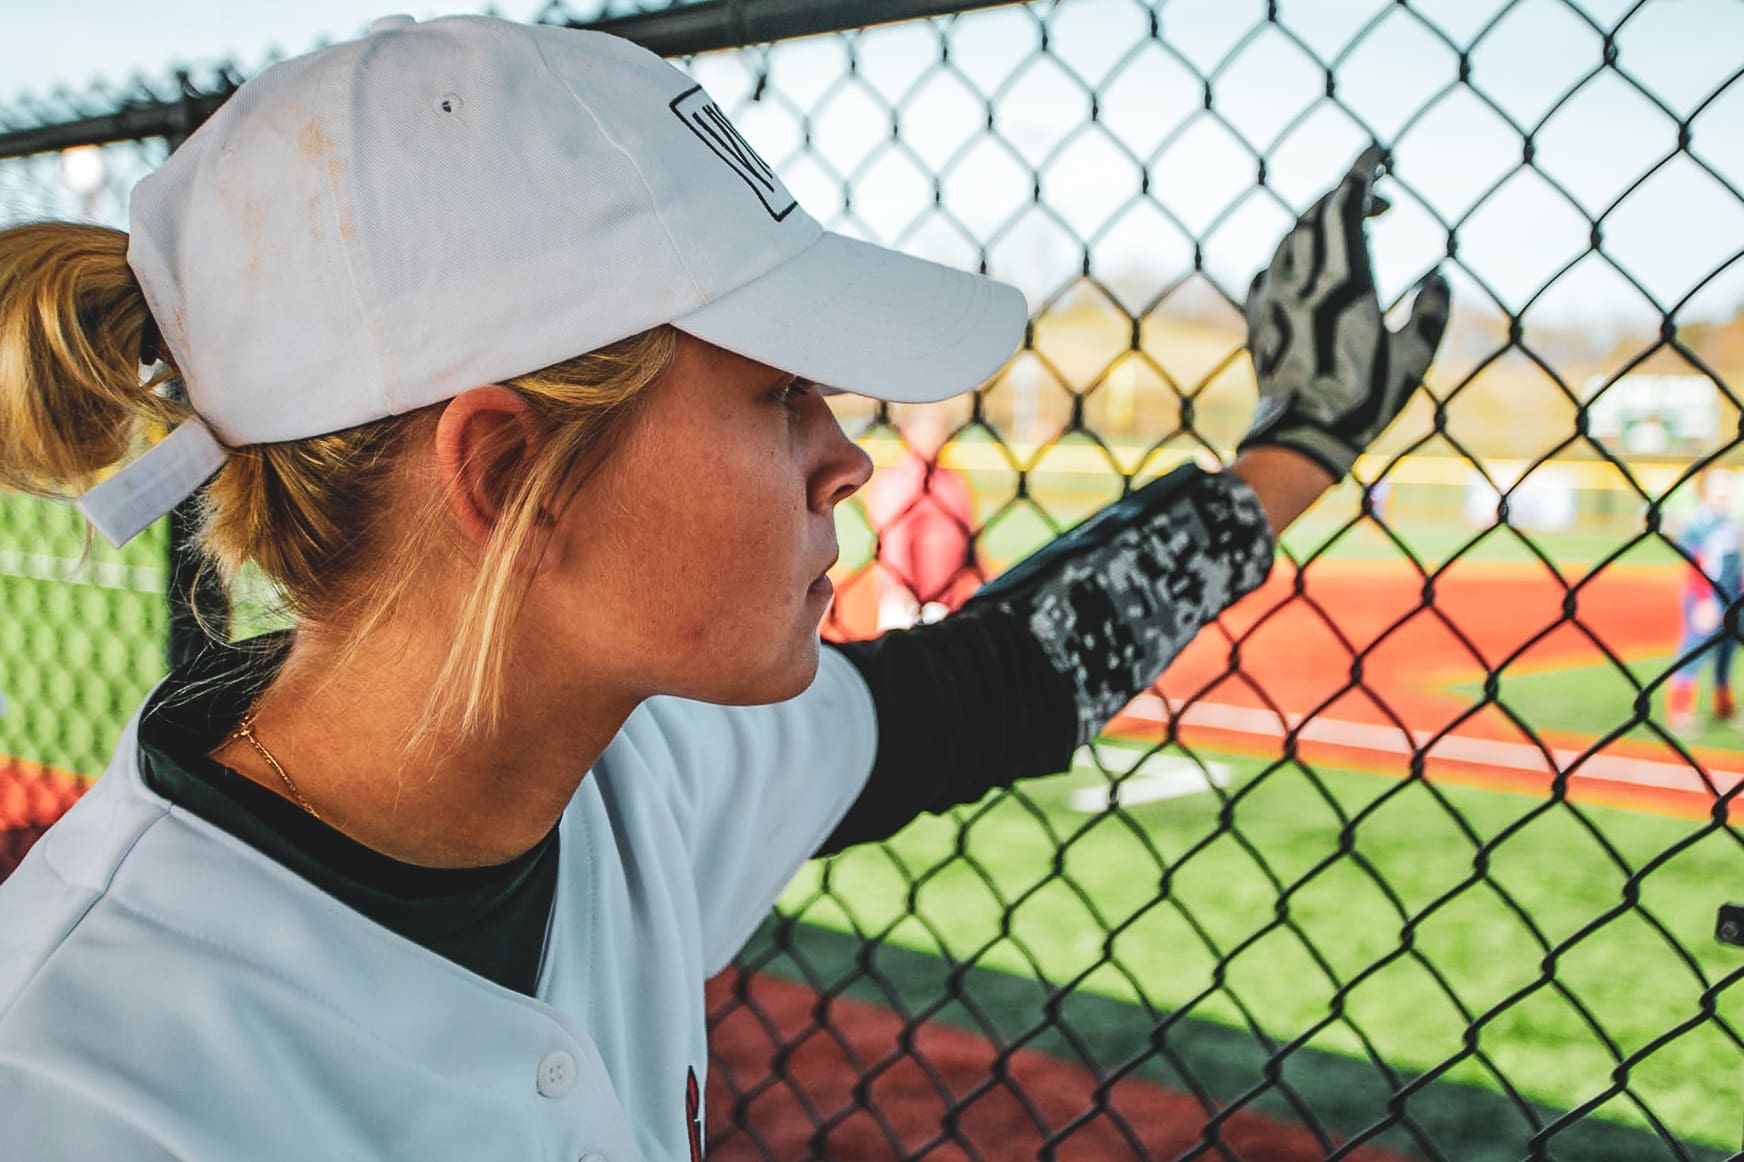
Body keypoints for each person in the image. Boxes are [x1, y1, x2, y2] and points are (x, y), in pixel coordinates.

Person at [0, 15, 1447, 1160]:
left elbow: (987, 688)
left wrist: (1294, 451)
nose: (847, 459)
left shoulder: (624, 772)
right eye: (778, 392)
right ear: (508, 473)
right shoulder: (81, 1083)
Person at [864, 406, 982, 630]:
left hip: (945, 598)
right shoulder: (896, 482)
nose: (936, 438)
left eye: (940, 430)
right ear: (909, 433)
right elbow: (894, 544)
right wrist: (901, 591)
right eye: (928, 431)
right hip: (904, 599)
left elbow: (970, 540)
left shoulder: (954, 483)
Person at [1668, 467, 1742, 731]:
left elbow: (1736, 564)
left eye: (1727, 486)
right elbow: (1695, 565)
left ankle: (1723, 705)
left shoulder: (1731, 522)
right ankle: (1680, 709)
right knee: (1696, 648)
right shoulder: (1698, 523)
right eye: (1718, 486)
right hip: (1708, 596)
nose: (1724, 492)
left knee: (1728, 650)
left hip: (1733, 596)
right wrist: (1703, 600)